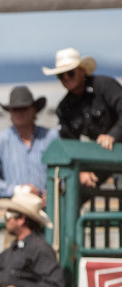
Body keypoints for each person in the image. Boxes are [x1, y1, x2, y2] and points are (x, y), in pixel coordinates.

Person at [43, 48, 122, 188]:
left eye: (70, 73)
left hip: (118, 152)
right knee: (70, 189)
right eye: (61, 75)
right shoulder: (64, 108)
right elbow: (68, 145)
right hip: (100, 158)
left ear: (82, 71)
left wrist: (112, 135)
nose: (66, 78)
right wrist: (81, 172)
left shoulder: (105, 86)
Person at [0, 86, 59, 200]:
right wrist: (18, 190)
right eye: (15, 109)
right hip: (16, 211)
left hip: (48, 208)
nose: (19, 113)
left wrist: (53, 191)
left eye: (23, 108)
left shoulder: (51, 138)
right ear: (10, 112)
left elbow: (64, 173)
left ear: (34, 110)